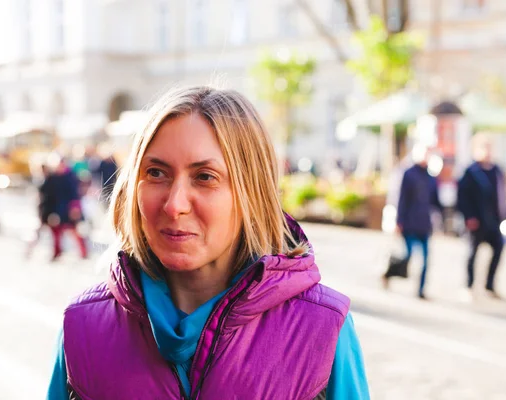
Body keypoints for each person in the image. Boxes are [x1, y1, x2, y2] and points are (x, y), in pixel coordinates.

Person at [46, 86, 369, 399]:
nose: (174, 204)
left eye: (205, 177)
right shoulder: (83, 326)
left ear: (251, 193)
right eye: (156, 173)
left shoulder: (323, 328)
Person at [383, 144, 443, 300]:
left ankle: (421, 290)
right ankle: (389, 273)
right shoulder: (408, 174)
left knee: (425, 259)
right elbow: (401, 199)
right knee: (407, 255)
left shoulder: (431, 177)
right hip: (409, 224)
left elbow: (435, 201)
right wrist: (398, 221)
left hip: (424, 224)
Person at [457, 134, 506, 299]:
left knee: (498, 250)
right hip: (476, 221)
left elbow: (502, 194)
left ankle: (489, 285)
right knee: (472, 253)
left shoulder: (496, 170)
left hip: (494, 220)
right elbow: (462, 197)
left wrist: (505, 213)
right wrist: (469, 217)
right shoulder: (470, 171)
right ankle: (469, 285)